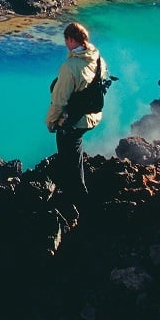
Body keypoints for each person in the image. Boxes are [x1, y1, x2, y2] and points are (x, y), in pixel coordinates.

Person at [45, 21, 105, 201]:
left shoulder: (70, 67)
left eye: (66, 39)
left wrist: (50, 122)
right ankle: (75, 189)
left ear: (71, 40)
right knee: (74, 148)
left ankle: (77, 195)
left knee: (67, 148)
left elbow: (59, 101)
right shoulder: (98, 58)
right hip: (92, 115)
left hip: (75, 120)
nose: (65, 43)